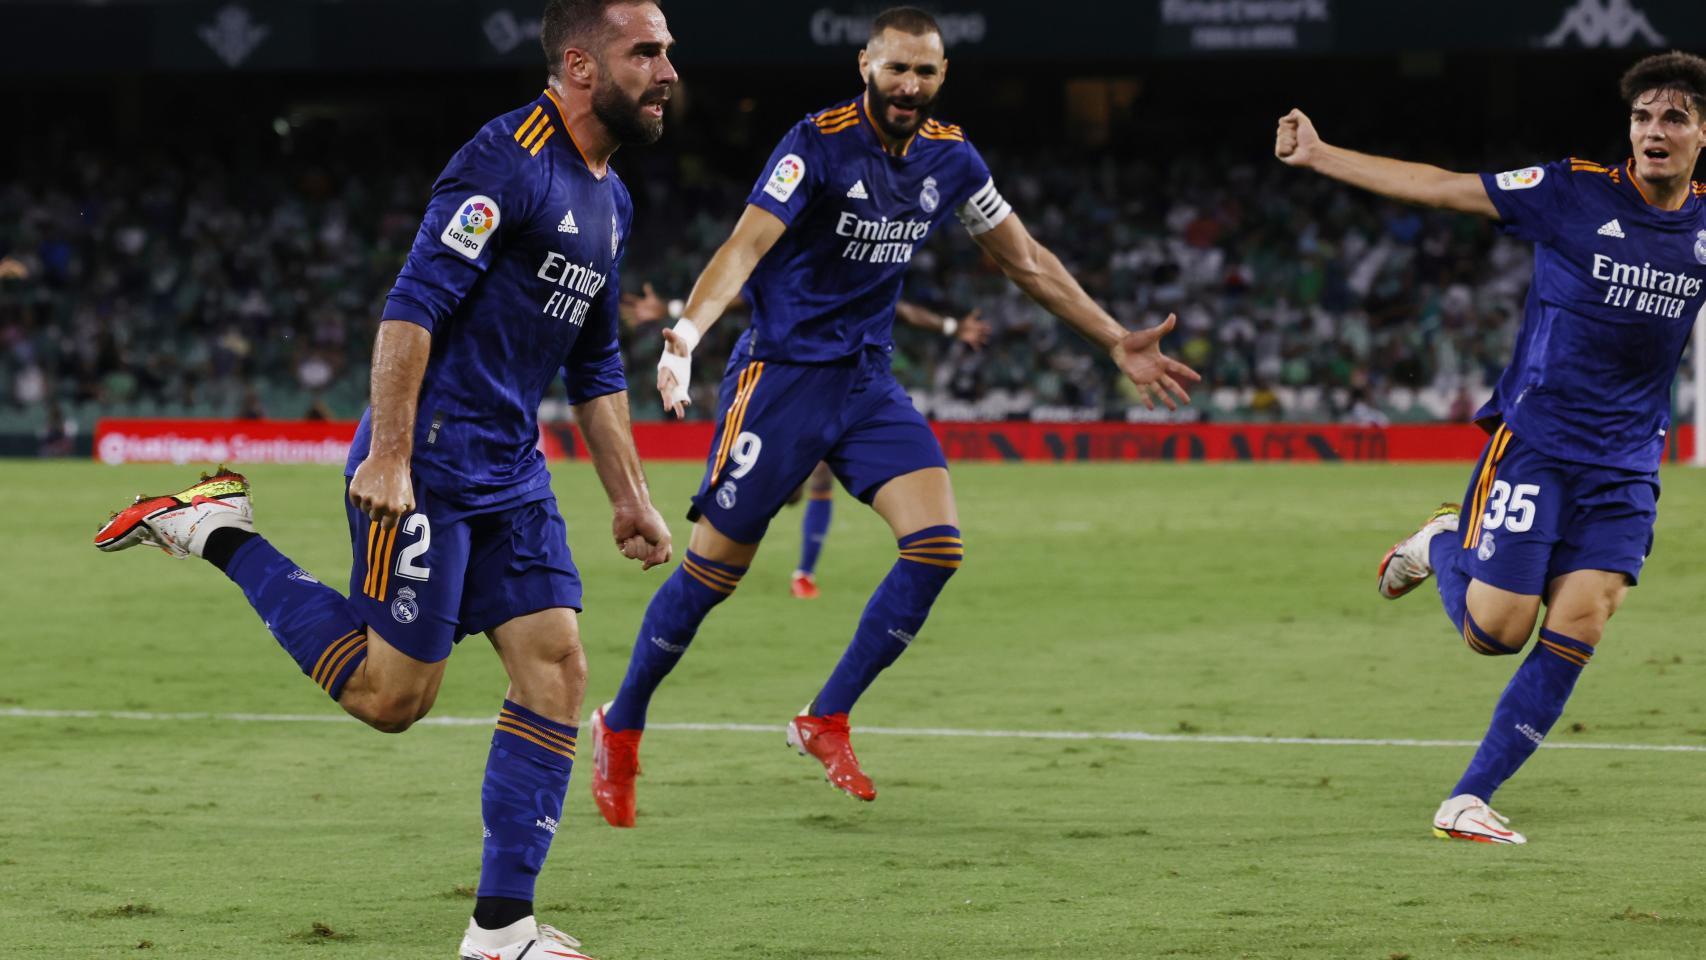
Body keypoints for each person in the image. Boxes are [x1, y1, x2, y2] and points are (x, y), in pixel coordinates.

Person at [93, 2, 677, 955]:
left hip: (512, 467)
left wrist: (630, 495)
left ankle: (501, 928)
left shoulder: (612, 196)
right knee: (391, 698)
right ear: (579, 65)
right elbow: (411, 307)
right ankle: (217, 529)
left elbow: (597, 363)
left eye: (668, 51)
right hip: (433, 459)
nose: (667, 70)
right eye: (645, 52)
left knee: (558, 669)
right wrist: (392, 455)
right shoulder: (506, 160)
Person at [586, 5, 1198, 828]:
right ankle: (621, 724)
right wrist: (686, 336)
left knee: (937, 547)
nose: (910, 85)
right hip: (782, 380)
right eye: (897, 69)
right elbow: (744, 246)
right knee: (711, 579)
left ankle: (825, 717)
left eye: (926, 72)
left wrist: (1116, 338)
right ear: (866, 66)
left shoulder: (951, 159)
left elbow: (1026, 261)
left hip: (867, 383)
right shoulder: (816, 144)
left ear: (942, 79)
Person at [1277, 51, 1706, 845]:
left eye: (1674, 117)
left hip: (1626, 465)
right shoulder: (1571, 191)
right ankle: (1442, 542)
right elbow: (1442, 185)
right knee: (1495, 634)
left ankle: (1467, 798)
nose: (1654, 131)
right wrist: (1321, 154)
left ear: (1702, 134)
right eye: (1644, 116)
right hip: (1537, 446)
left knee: (1584, 621)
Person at [620, 282, 990, 598]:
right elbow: (737, 293)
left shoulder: (864, 265)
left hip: (843, 383)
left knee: (822, 477)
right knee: (789, 490)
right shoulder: (800, 259)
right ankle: (766, 517)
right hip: (785, 382)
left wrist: (951, 326)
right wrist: (675, 313)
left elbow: (902, 309)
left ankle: (804, 574)